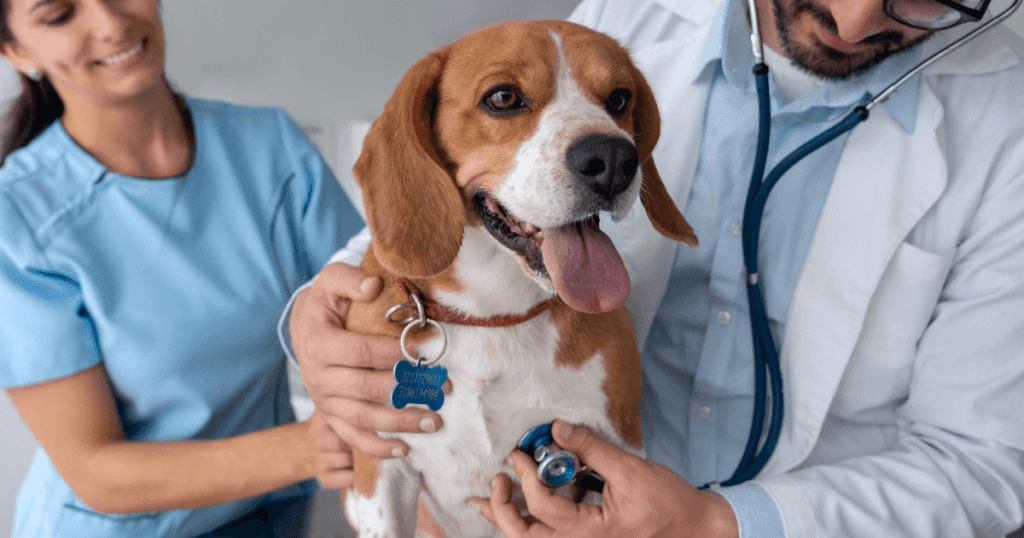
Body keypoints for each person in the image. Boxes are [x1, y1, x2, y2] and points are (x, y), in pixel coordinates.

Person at [286, 0, 1024, 535]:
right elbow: (421, 214)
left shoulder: (1004, 127)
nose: (857, 17)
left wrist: (719, 523)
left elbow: (988, 461)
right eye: (508, 99)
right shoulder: (631, 18)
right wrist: (313, 320)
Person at [0, 0, 362, 536]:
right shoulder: (21, 220)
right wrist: (311, 448)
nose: (112, 23)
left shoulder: (271, 149)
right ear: (18, 51)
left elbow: (376, 308)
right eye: (60, 15)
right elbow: (96, 471)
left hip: (268, 513)